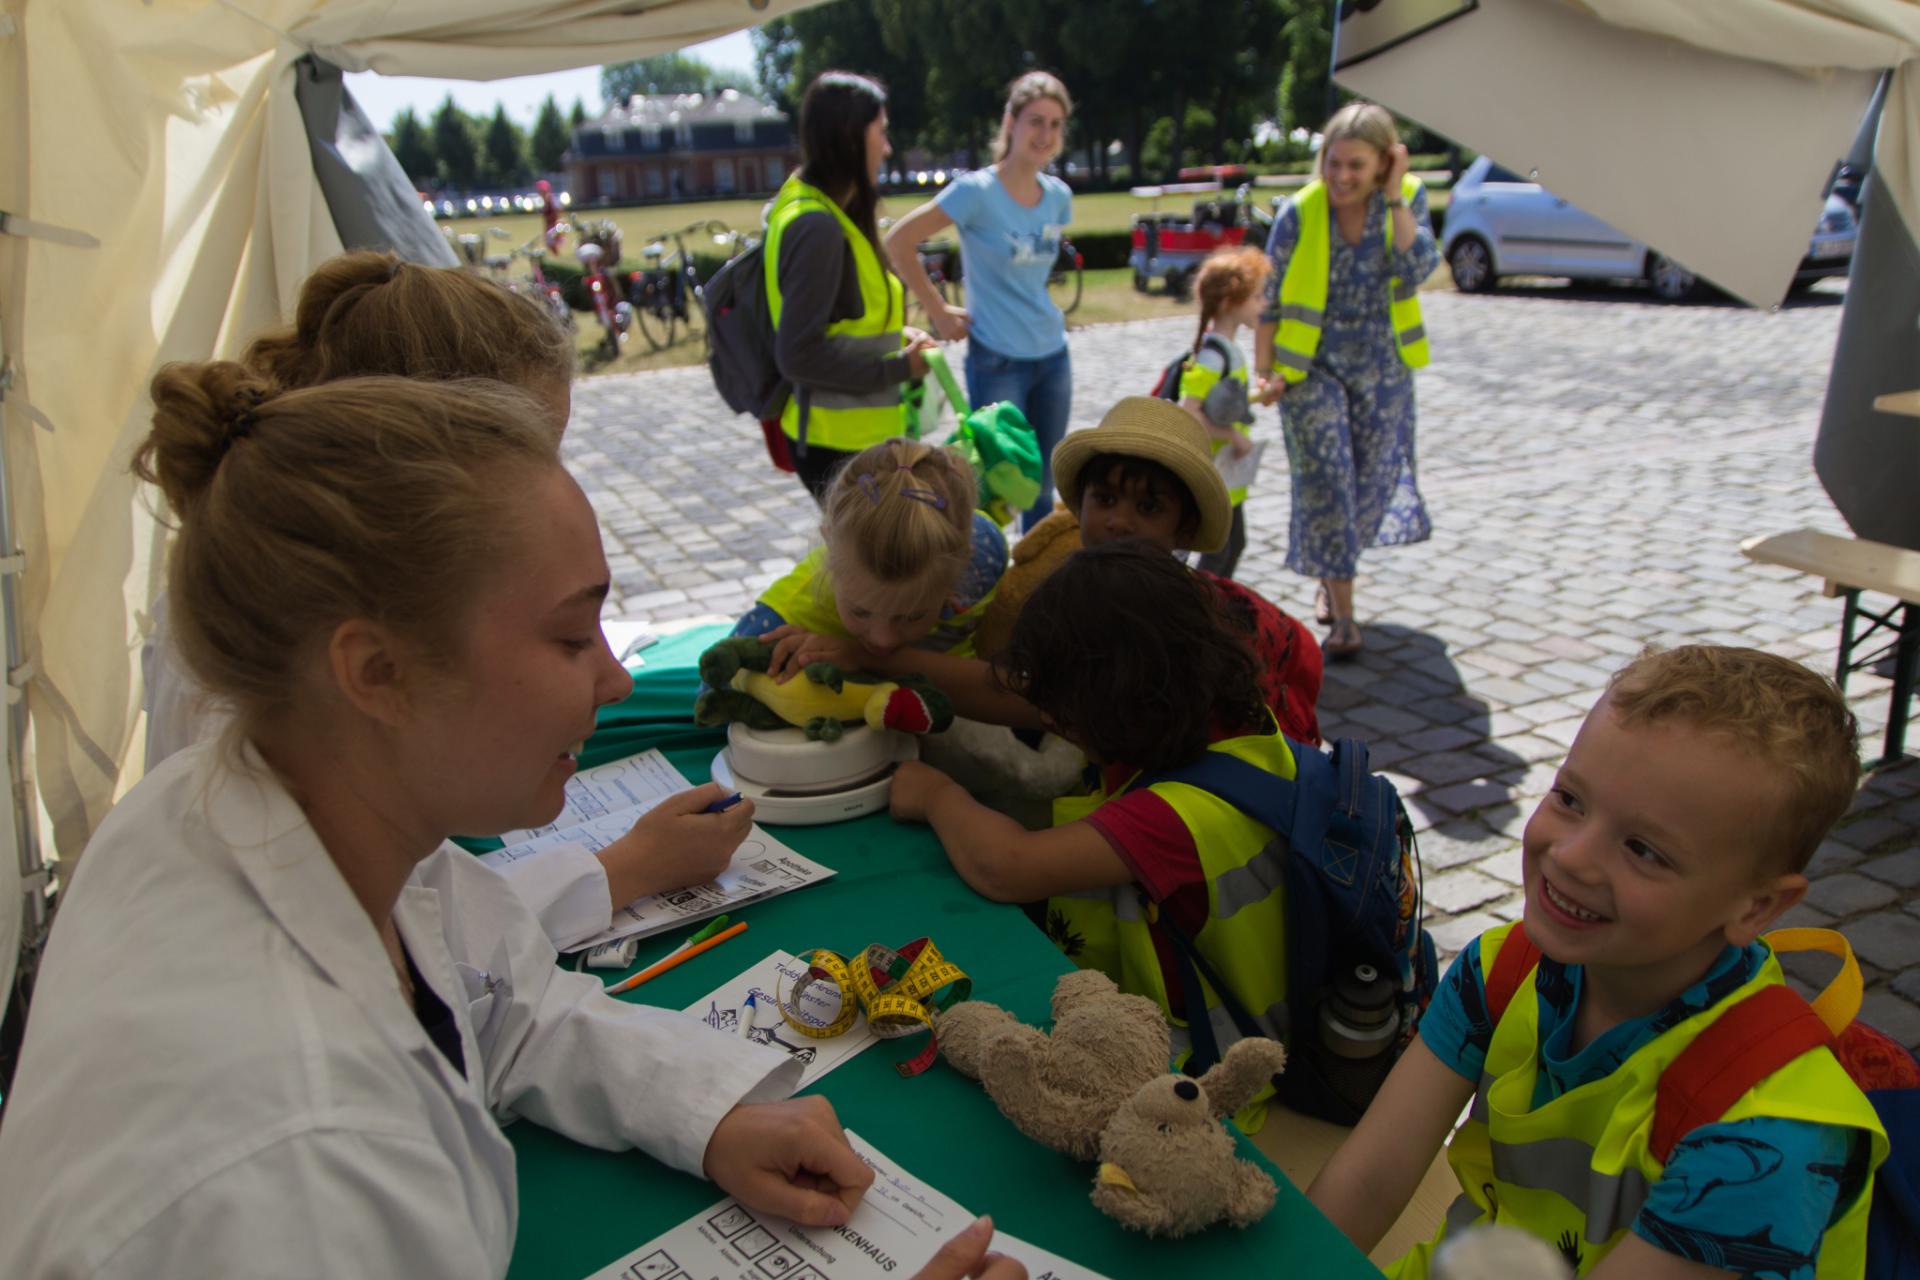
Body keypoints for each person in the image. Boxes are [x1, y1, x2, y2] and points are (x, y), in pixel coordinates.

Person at [0, 366, 1025, 1280]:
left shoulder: (261, 810)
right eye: (575, 634)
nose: (619, 677)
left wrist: (705, 1109)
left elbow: (503, 996)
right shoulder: (293, 1169)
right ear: (378, 671)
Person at [140, 250, 743, 954]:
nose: (548, 481)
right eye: (526, 451)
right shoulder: (265, 666)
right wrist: (623, 869)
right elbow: (417, 940)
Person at [1308, 646, 1889, 1279]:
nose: (1572, 857)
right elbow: (1368, 1181)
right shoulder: (1502, 971)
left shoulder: (1765, 1136)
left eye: (1643, 849)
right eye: (1570, 798)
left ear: (1757, 906)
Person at [887, 540, 1299, 1102]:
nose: (1052, 718)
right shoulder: (1221, 720)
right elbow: (1011, 694)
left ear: (1118, 699)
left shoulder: (1172, 817)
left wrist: (936, 795)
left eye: (1065, 712)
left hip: (1207, 1072)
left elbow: (1006, 867)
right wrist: (875, 660)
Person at [762, 399, 1321, 749]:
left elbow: (1036, 701)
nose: (1120, 522)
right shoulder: (1072, 584)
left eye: (1148, 508)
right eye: (1105, 498)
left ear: (1185, 526)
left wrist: (872, 657)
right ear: (1078, 503)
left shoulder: (1158, 610)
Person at [1252, 101, 1439, 661]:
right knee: (1328, 479)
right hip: (1311, 370)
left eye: (1356, 165)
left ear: (1384, 163)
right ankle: (1346, 619)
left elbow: (1418, 267)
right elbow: (1268, 300)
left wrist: (1398, 193)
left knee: (1372, 485)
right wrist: (1264, 370)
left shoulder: (1404, 202)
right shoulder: (1301, 212)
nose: (1341, 177)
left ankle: (1331, 577)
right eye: (1334, 163)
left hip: (1385, 369)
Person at [886, 72, 1075, 530]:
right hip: (997, 360)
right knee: (990, 487)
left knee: (1043, 485)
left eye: (1055, 124)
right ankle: (985, 584)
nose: (1045, 134)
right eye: (1035, 121)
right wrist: (937, 310)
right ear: (1010, 121)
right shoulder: (976, 192)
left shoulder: (1059, 198)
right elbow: (898, 242)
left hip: (1052, 355)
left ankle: (1035, 589)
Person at [767, 71, 938, 502]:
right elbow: (799, 353)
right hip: (841, 446)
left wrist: (896, 338)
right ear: (849, 137)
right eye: (880, 132)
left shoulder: (812, 205)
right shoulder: (817, 226)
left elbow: (839, 320)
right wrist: (899, 367)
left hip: (853, 441)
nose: (887, 147)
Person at [734, 437, 1007, 663]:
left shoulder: (985, 560)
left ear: (963, 564)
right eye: (860, 612)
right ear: (829, 550)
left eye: (912, 615)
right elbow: (716, 683)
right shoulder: (778, 619)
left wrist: (867, 662)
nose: (882, 639)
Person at [1177, 246, 1272, 581]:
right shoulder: (1214, 356)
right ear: (1232, 302)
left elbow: (1223, 401)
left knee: (1234, 546)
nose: (1264, 304)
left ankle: (1213, 609)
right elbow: (1190, 412)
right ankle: (1205, 612)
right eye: (1257, 297)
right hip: (1215, 473)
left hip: (1227, 475)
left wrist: (1259, 394)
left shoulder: (1225, 350)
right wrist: (1232, 435)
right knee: (1219, 555)